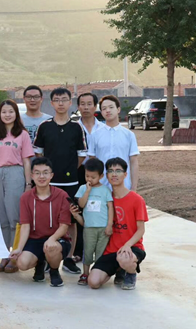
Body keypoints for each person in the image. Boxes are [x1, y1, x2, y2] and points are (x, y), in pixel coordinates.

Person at [33, 87, 87, 275]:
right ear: (52, 103)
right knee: (48, 220)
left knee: (71, 221)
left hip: (70, 183)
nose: (61, 103)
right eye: (57, 100)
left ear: (70, 103)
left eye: (64, 99)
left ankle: (69, 258)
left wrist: (69, 170)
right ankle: (49, 257)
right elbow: (38, 153)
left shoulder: (76, 127)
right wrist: (47, 174)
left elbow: (81, 155)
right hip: (48, 183)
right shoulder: (44, 126)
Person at [0, 100, 34, 273]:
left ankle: (15, 255)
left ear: (16, 114)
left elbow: (26, 160)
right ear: (0, 114)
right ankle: (4, 254)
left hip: (15, 173)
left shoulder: (22, 134)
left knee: (15, 217)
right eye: (4, 112)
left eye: (11, 111)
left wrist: (28, 183)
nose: (7, 115)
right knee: (1, 217)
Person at [9, 157, 72, 287]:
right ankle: (40, 263)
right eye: (37, 173)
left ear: (51, 175)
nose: (41, 176)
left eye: (45, 172)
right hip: (35, 239)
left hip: (57, 239)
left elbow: (64, 226)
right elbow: (25, 226)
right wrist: (19, 248)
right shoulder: (25, 197)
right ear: (32, 176)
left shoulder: (62, 195)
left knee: (51, 248)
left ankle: (54, 271)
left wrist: (52, 239)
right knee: (22, 263)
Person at [89, 157, 148, 291]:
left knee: (124, 258)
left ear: (125, 174)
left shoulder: (136, 199)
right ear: (106, 175)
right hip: (111, 250)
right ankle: (119, 269)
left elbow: (141, 230)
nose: (114, 174)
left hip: (132, 247)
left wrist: (127, 245)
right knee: (93, 282)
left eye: (118, 171)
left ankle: (130, 273)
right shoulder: (106, 198)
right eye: (110, 171)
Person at [74, 92, 105, 261]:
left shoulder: (103, 128)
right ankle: (79, 251)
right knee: (81, 209)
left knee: (99, 209)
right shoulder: (73, 128)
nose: (86, 107)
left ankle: (101, 250)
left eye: (89, 104)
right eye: (82, 104)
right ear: (78, 107)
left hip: (100, 174)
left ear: (95, 106)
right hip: (79, 171)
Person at [74, 158, 113, 285]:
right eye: (87, 176)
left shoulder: (105, 190)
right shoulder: (82, 188)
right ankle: (85, 273)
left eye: (93, 177)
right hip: (89, 228)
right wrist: (87, 191)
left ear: (101, 176)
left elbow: (110, 208)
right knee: (88, 250)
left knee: (100, 252)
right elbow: (81, 204)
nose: (89, 179)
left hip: (103, 228)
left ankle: (97, 272)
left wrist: (109, 225)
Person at [88, 95, 140, 191]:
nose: (108, 110)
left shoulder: (129, 135)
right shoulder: (95, 135)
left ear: (118, 109)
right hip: (101, 187)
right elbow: (92, 162)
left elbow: (133, 162)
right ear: (101, 112)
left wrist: (134, 187)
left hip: (124, 187)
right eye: (104, 108)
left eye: (111, 107)